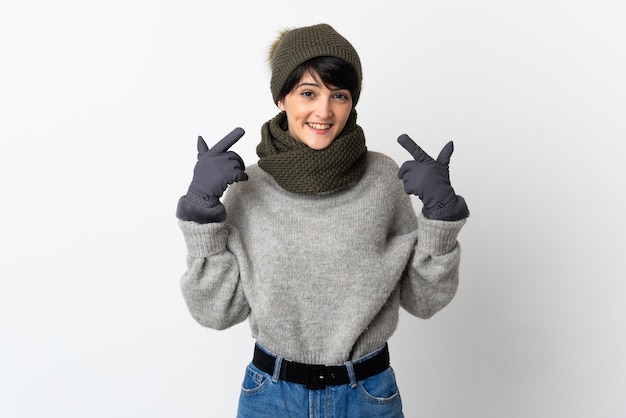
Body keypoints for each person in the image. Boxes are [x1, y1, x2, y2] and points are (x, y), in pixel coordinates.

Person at [176, 23, 469, 418]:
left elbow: (424, 299)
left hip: (366, 395)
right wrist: (201, 210)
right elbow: (216, 312)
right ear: (282, 98)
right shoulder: (247, 186)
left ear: (352, 103)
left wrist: (440, 215)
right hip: (271, 397)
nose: (324, 111)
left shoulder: (384, 180)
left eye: (339, 96)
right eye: (308, 93)